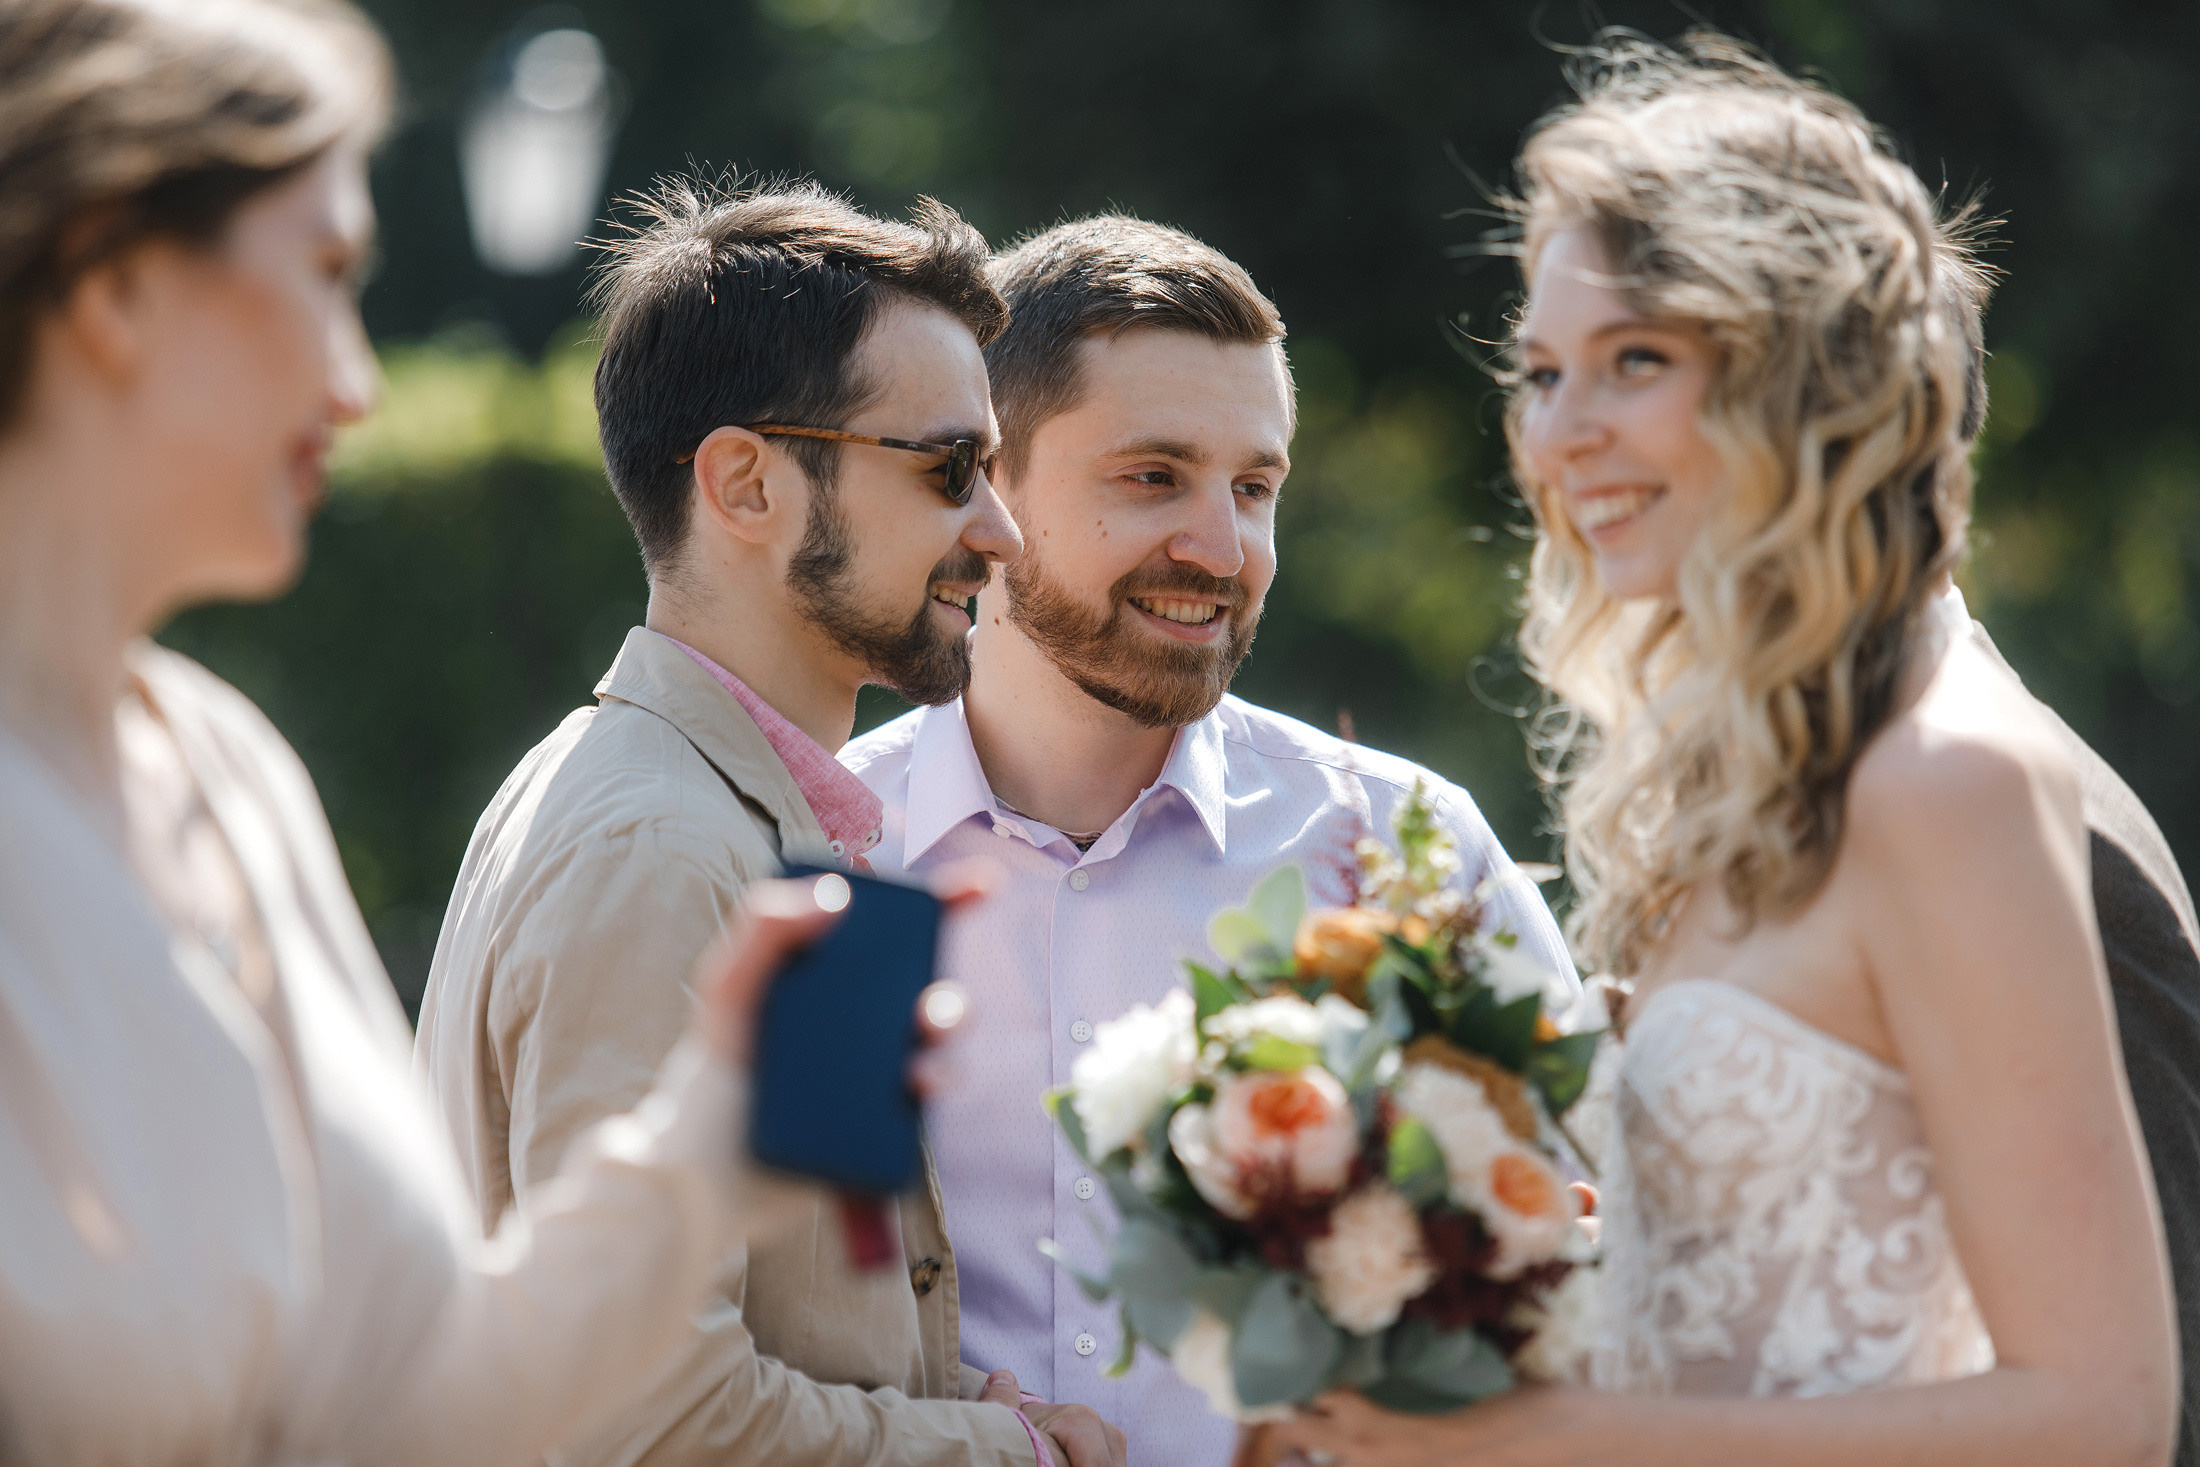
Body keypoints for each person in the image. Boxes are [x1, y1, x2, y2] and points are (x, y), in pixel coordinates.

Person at [1251, 34, 2178, 1467]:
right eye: (1544, 371)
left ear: (1805, 372)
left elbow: (2103, 1409)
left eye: (1637, 359)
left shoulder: (1953, 778)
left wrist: (1549, 1436)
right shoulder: (1747, 772)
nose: (1563, 433)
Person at [0, 2, 873, 1462]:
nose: (360, 380)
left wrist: (712, 1137)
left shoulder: (224, 769)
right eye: (327, 273)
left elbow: (407, 1406)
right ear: (113, 278)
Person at [841, 215, 1577, 1467]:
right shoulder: (830, 861)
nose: (1222, 549)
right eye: (1151, 477)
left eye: (1254, 488)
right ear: (987, 489)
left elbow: (1570, 1268)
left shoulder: (1407, 855)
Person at [412, 178, 1124, 1467]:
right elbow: (646, 1416)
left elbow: (786, 1328)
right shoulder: (658, 849)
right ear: (743, 484)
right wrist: (1006, 1458)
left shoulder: (715, 809)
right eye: (951, 467)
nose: (1003, 533)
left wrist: (968, 1402)